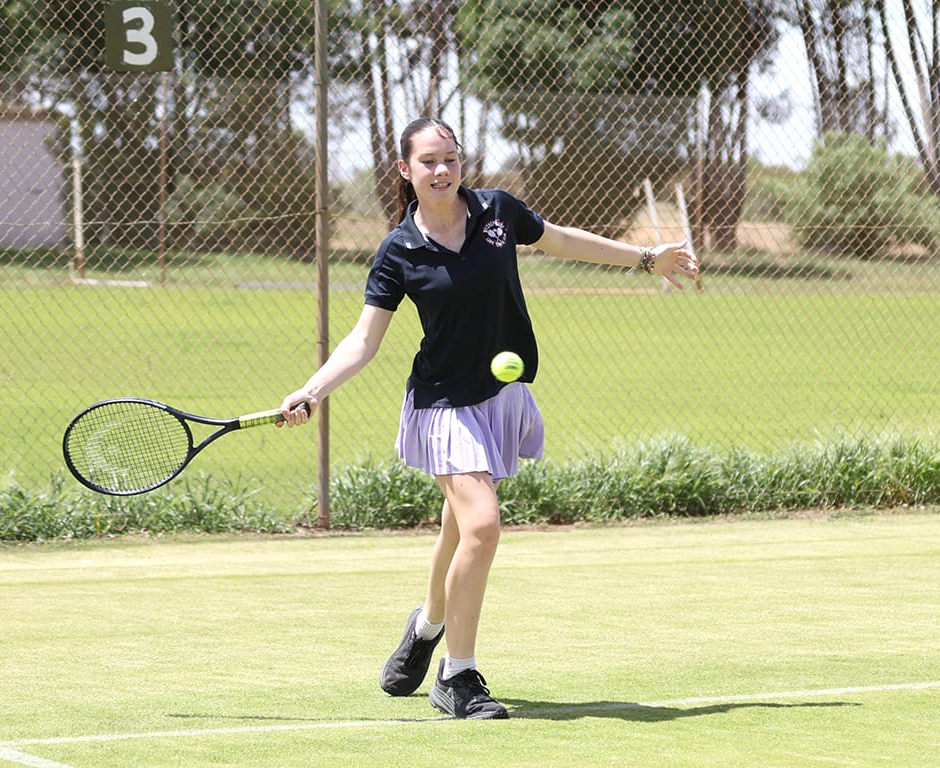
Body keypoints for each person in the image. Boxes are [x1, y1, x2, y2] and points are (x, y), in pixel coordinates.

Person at [278, 117, 701, 720]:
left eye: (450, 158)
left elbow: (559, 240)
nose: (442, 170)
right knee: (482, 524)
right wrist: (312, 390)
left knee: (459, 527)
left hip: (499, 398)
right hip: (444, 402)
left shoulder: (497, 214)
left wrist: (645, 257)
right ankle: (458, 676)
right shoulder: (400, 251)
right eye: (428, 161)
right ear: (405, 170)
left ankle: (426, 627)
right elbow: (363, 341)